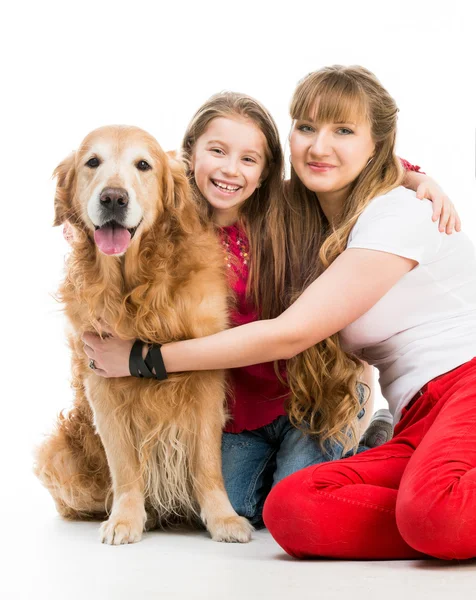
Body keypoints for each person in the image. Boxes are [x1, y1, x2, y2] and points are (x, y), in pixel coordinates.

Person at [83, 79, 464, 540]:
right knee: (247, 507)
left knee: (291, 494)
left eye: (249, 159)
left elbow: (350, 172)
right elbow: (120, 203)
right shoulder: (167, 221)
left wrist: (416, 176)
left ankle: (373, 444)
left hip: (309, 398)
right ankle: (403, 485)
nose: (231, 170)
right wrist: (92, 227)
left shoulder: (290, 210)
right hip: (239, 413)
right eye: (217, 152)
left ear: (266, 172)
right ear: (187, 158)